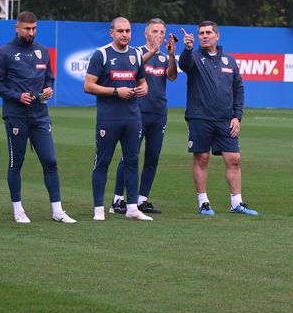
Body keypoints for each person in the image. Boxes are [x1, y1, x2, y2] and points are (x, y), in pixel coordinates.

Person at [0, 11, 76, 225]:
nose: (31, 32)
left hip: (40, 116)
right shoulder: (4, 53)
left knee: (50, 161)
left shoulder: (42, 51)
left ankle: (58, 211)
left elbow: (49, 77)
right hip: (16, 117)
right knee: (16, 163)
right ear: (17, 28)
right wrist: (16, 96)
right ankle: (18, 210)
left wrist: (49, 89)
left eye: (34, 29)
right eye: (27, 29)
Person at [179, 21, 256, 216]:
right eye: (201, 33)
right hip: (200, 118)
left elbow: (238, 89)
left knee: (234, 159)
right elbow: (183, 65)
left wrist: (237, 117)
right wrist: (187, 49)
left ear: (217, 36)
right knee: (202, 158)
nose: (204, 36)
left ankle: (236, 203)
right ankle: (203, 202)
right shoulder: (194, 57)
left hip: (225, 120)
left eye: (208, 33)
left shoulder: (229, 61)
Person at [84, 17, 151, 222]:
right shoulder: (101, 54)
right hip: (109, 119)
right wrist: (115, 91)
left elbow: (142, 80)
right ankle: (98, 209)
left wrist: (143, 88)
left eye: (128, 31)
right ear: (111, 33)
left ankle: (132, 207)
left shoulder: (136, 55)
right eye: (120, 31)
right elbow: (88, 86)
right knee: (102, 163)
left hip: (132, 117)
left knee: (132, 161)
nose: (125, 34)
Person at [112, 19, 177, 216]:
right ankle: (118, 200)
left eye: (162, 31)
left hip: (159, 113)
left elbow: (172, 76)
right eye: (155, 31)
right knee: (129, 156)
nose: (159, 34)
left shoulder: (165, 57)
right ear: (146, 33)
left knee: (152, 157)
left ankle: (142, 200)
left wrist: (172, 56)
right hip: (137, 112)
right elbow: (135, 69)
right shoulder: (136, 53)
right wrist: (154, 50)